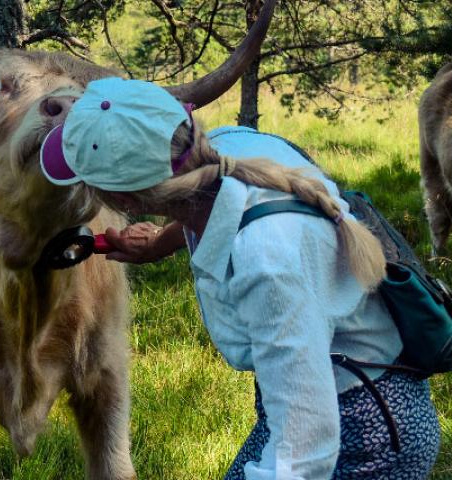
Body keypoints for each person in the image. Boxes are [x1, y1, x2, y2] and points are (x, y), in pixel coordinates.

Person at [39, 77, 440, 480]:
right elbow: (214, 202)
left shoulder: (268, 264)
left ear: (123, 201)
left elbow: (304, 453)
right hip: (321, 393)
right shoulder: (228, 148)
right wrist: (161, 242)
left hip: (366, 429)